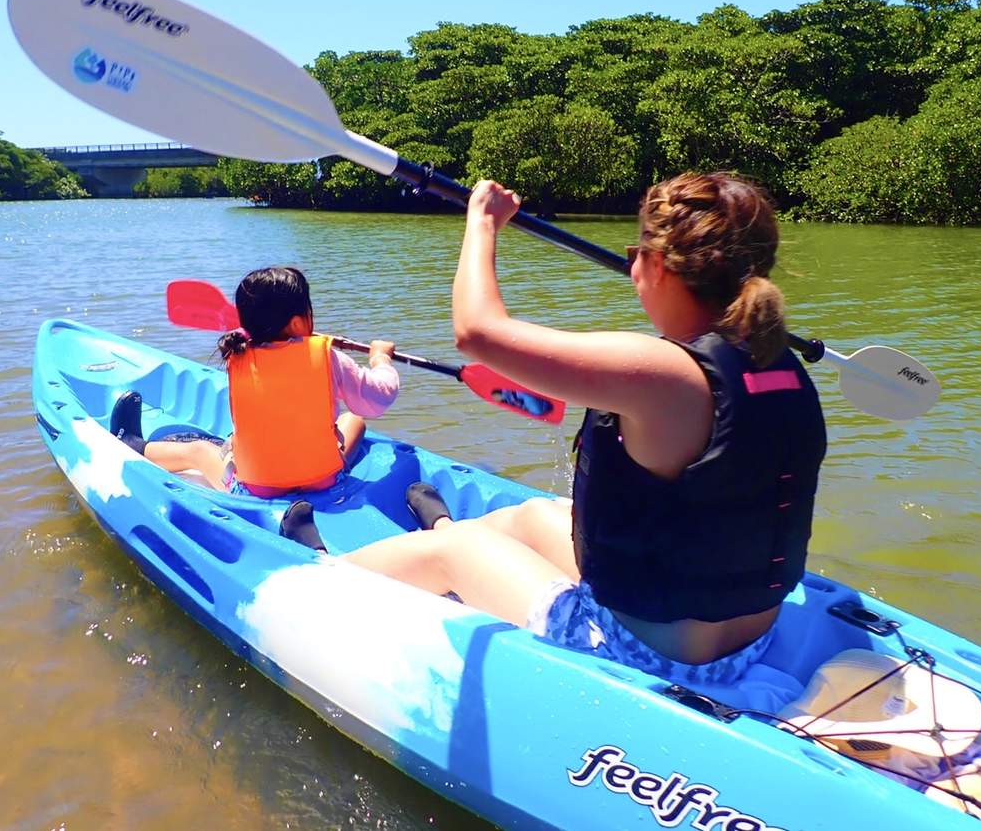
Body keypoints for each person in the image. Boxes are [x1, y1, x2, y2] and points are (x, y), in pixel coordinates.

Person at [309, 172, 826, 686]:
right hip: (749, 640)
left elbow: (476, 332)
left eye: (635, 253)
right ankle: (439, 533)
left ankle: (322, 573)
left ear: (662, 267)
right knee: (538, 514)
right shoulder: (781, 366)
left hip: (644, 655)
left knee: (455, 550)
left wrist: (482, 220)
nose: (631, 267)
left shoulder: (660, 372)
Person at [111, 267, 399, 533]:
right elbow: (377, 398)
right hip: (323, 482)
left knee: (198, 451)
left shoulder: (236, 355)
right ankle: (317, 466)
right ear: (300, 321)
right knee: (354, 419)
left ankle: (137, 446)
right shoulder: (329, 358)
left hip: (257, 489)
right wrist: (380, 359)